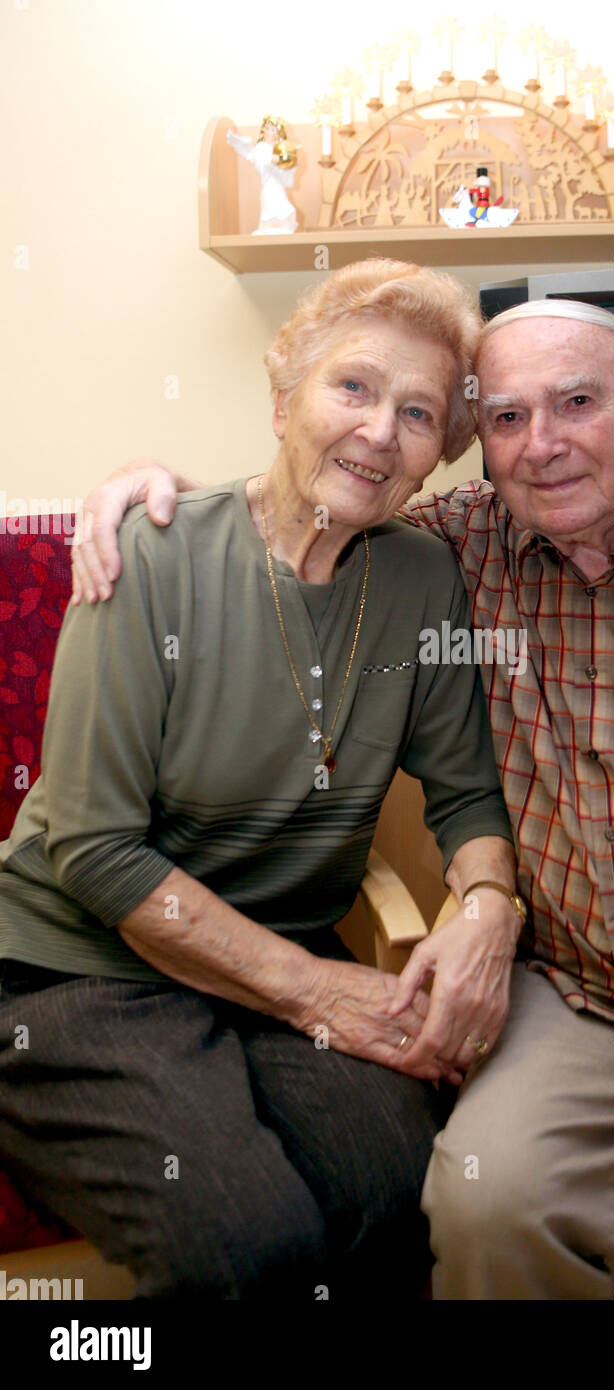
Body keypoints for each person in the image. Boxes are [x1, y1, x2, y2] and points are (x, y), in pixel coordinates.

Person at [71, 296, 614, 1301]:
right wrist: (161, 500)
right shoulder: (455, 550)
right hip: (582, 997)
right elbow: (313, 498)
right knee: (485, 1207)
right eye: (508, 417)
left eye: (578, 403)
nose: (543, 446)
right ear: (479, 439)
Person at [0, 258, 522, 1299]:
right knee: (247, 1237)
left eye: (418, 412)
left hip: (278, 956)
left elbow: (466, 795)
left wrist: (489, 901)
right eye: (355, 388)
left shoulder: (422, 579)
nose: (380, 431)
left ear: (439, 454)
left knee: (405, 1187)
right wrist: (326, 993)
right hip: (76, 972)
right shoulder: (152, 555)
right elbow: (97, 852)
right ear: (285, 398)